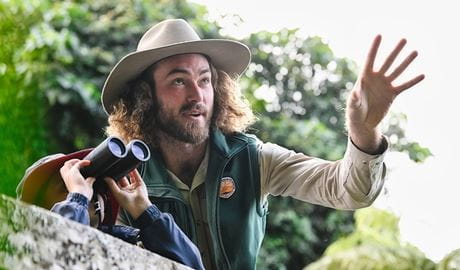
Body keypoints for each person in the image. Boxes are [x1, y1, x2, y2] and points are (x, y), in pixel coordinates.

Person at [97, 19, 424, 269]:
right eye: (178, 81)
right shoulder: (124, 178)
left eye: (205, 80)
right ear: (145, 96)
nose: (197, 96)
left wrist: (366, 132)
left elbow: (350, 190)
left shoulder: (253, 158)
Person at [27, 156, 205, 270]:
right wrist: (77, 199)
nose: (86, 188)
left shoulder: (133, 244)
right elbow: (54, 257)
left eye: (89, 181)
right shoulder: (30, 245)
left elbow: (192, 266)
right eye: (67, 185)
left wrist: (146, 212)